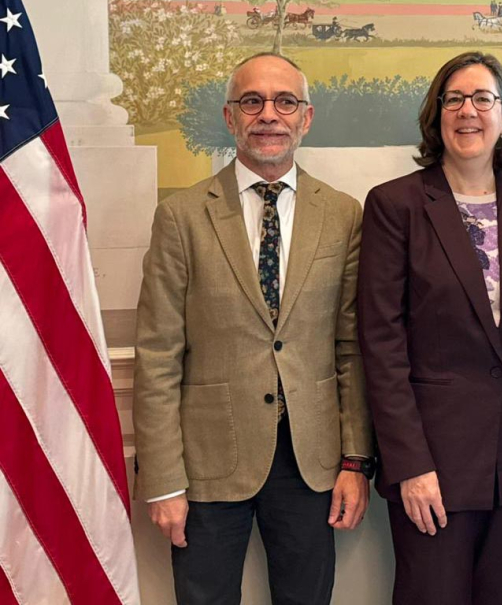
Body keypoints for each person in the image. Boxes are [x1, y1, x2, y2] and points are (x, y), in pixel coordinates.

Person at [133, 52, 374, 605]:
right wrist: (164, 481)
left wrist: (356, 461)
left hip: (312, 463)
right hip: (206, 464)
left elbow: (350, 350)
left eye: (285, 101)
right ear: (230, 116)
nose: (269, 114)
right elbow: (158, 356)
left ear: (305, 118)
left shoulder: (343, 215)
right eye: (253, 101)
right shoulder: (182, 216)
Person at [357, 51, 502, 605]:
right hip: (433, 466)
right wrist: (409, 465)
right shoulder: (394, 205)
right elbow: (381, 344)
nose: (467, 111)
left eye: (482, 99)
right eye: (454, 99)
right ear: (436, 114)